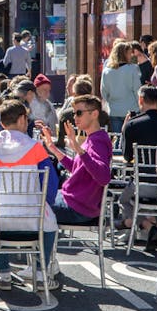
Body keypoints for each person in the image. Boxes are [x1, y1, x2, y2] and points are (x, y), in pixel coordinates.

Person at [0, 99, 59, 290]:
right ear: (22, 119)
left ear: (2, 122)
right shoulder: (36, 147)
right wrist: (45, 205)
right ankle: (39, 272)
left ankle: (3, 273)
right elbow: (51, 183)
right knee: (51, 224)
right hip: (33, 222)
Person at [116, 86, 157, 250]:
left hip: (143, 185)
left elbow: (127, 157)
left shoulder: (133, 125)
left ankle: (147, 226)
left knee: (123, 200)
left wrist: (124, 130)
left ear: (141, 100)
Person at [42, 95, 113, 224]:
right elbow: (78, 168)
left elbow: (104, 177)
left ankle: (38, 243)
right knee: (37, 199)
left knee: (34, 207)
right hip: (73, 201)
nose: (75, 117)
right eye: (74, 113)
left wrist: (78, 149)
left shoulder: (98, 142)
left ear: (94, 114)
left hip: (78, 208)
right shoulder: (93, 138)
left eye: (79, 113)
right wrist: (53, 148)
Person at [100, 41, 140, 133]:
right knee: (130, 138)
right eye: (130, 53)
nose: (131, 56)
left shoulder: (106, 71)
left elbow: (104, 92)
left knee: (118, 137)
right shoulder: (133, 69)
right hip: (131, 109)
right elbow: (137, 90)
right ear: (125, 54)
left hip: (114, 109)